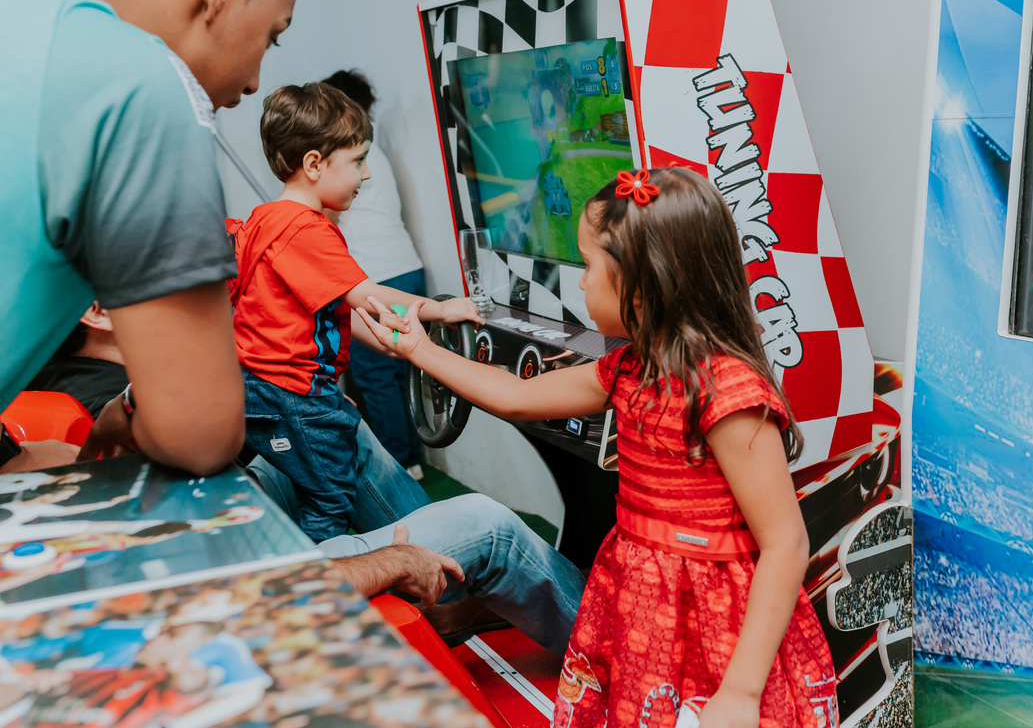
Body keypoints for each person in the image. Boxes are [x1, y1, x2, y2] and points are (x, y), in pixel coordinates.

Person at [361, 168, 840, 728]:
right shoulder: (629, 369)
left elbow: (785, 542)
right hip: (640, 601)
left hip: (713, 623)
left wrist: (739, 692)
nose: (581, 283)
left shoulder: (727, 393)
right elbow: (516, 396)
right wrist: (420, 349)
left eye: (590, 268)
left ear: (646, 284)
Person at [23, 320, 585, 652]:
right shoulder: (108, 393)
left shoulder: (110, 392)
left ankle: (448, 591)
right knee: (491, 526)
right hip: (236, 564)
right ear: (99, 312)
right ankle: (615, 651)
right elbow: (237, 583)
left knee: (338, 429)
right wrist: (393, 559)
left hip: (228, 521)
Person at [0, 0, 299, 474]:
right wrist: (129, 412)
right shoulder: (139, 79)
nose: (256, 81)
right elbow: (202, 435)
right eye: (272, 35)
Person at [228, 82, 478, 541]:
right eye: (358, 161)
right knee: (329, 499)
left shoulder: (265, 218)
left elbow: (333, 308)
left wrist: (385, 340)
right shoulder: (305, 228)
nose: (366, 175)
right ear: (314, 165)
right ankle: (325, 584)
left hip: (266, 389)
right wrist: (439, 311)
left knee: (317, 478)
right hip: (293, 393)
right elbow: (369, 296)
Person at [320, 69, 427, 477]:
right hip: (406, 267)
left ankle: (399, 464)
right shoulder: (373, 152)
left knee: (376, 376)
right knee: (400, 372)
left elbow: (325, 218)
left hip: (376, 279)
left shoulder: (349, 159)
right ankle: (412, 458)